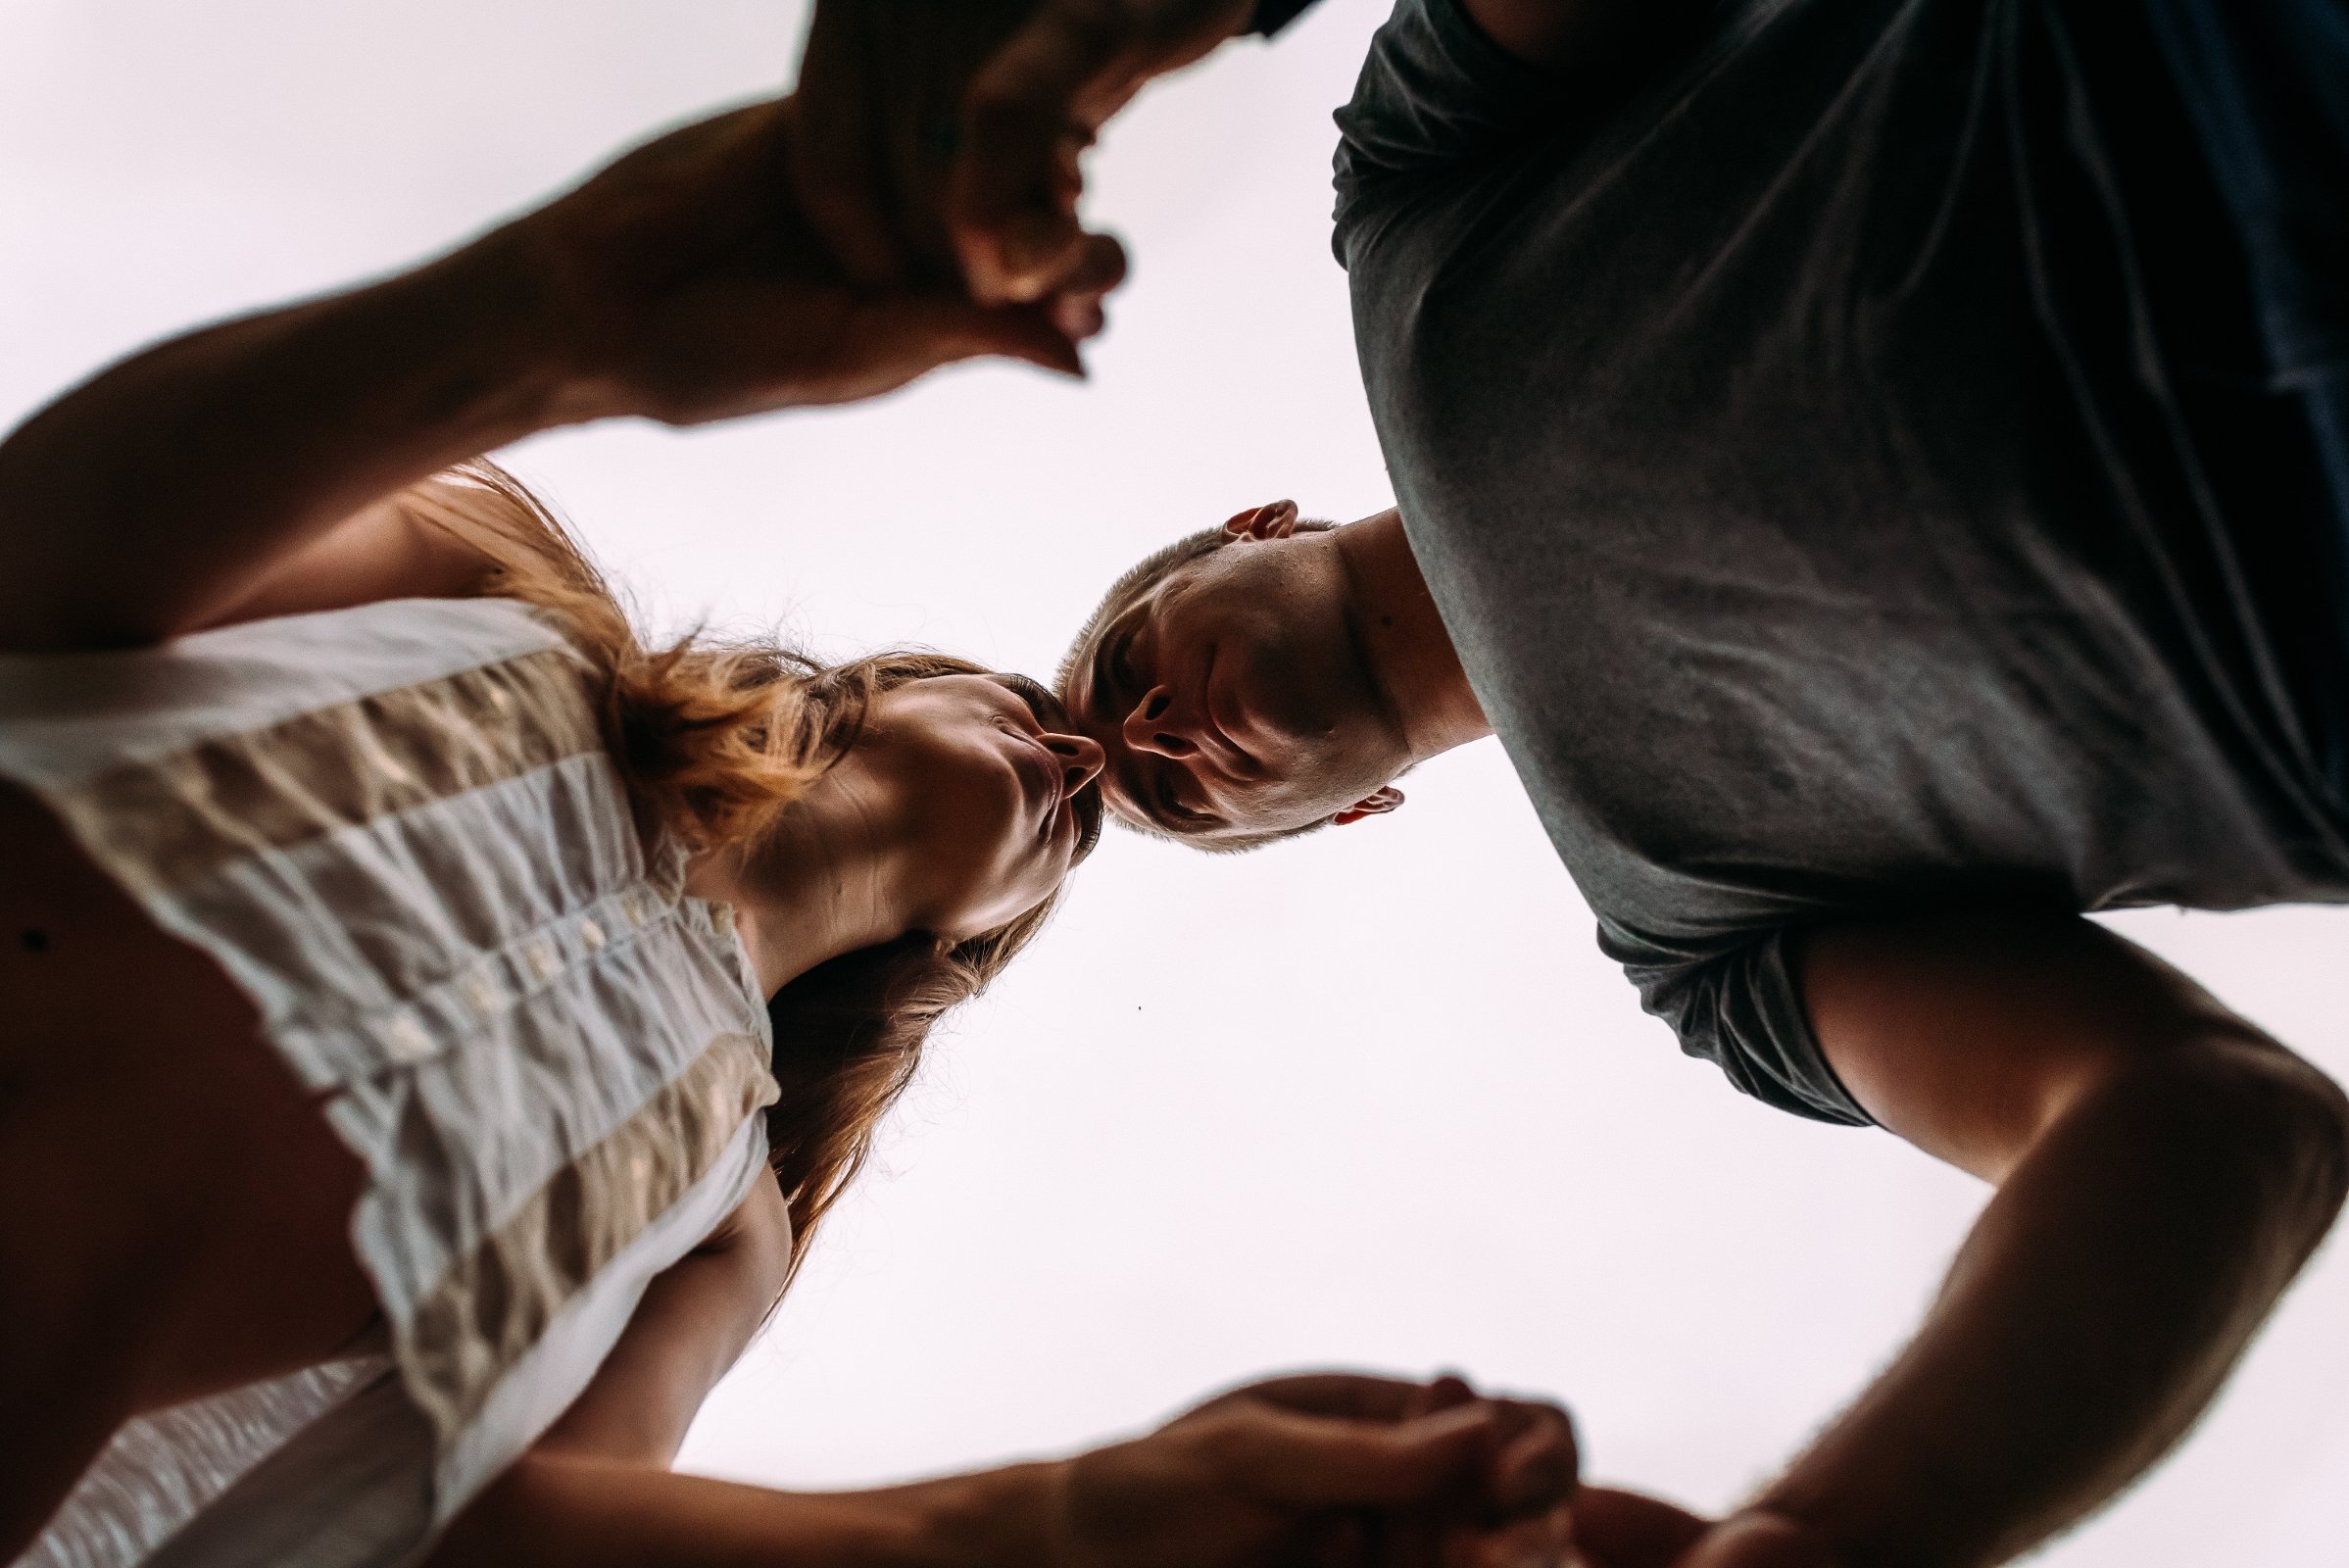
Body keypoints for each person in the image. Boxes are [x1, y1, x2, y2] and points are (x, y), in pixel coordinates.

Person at [784, 0, 2349, 1562]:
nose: (1147, 743)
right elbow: (2211, 1121)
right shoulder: (1700, 945)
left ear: (1247, 527)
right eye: (1172, 799)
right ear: (1342, 818)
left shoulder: (1413, 206)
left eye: (1124, 673)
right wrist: (1810, 1539)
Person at [0, 94, 1581, 1568]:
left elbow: (495, 1536)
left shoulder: (720, 1219)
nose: (1096, 752)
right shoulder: (504, 622)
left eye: (1107, 819)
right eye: (1062, 695)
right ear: (877, 683)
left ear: (964, 948)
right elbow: (45, 566)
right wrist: (557, 316)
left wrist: (1061, 1523)